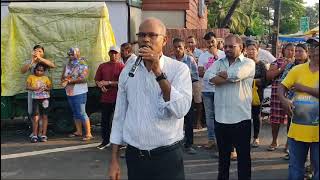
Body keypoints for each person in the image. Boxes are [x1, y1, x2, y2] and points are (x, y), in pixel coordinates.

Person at [108, 17, 192, 180]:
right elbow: (119, 115)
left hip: (167, 157)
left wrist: (158, 71)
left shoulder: (179, 70)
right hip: (136, 157)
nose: (146, 39)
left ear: (164, 40)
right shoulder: (128, 71)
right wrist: (114, 160)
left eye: (152, 35)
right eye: (142, 35)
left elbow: (180, 109)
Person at [204, 34, 255, 180]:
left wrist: (220, 77)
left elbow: (237, 75)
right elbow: (208, 77)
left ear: (241, 47)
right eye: (225, 46)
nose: (227, 49)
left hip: (241, 119)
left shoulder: (249, 63)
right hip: (221, 119)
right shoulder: (219, 62)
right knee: (223, 160)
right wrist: (225, 77)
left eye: (231, 46)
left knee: (244, 159)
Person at [278, 37, 319, 180]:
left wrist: (303, 88)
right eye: (313, 46)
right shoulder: (297, 69)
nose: (315, 49)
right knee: (295, 170)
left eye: (318, 46)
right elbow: (282, 86)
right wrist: (283, 100)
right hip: (298, 131)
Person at [279, 43, 310, 159]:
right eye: (296, 51)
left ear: (307, 53)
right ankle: (291, 151)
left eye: (300, 51)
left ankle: (306, 155)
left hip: (309, 103)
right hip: (292, 101)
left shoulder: (311, 67)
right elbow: (283, 82)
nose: (297, 53)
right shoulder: (290, 66)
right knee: (291, 126)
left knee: (308, 128)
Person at [172, 37, 199, 154]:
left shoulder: (190, 60)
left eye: (180, 47)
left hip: (186, 95)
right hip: (172, 95)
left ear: (184, 48)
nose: (178, 49)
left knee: (188, 120)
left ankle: (189, 145)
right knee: (173, 119)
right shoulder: (170, 61)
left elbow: (195, 77)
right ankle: (173, 144)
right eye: (176, 47)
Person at [198, 32, 225, 150]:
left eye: (212, 41)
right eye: (208, 42)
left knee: (220, 115)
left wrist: (215, 56)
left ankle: (221, 140)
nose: (210, 44)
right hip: (207, 90)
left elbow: (225, 71)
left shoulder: (223, 55)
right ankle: (211, 140)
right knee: (209, 116)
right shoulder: (202, 56)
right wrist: (214, 75)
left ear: (216, 41)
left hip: (220, 89)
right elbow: (200, 72)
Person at [21, 45, 55, 137]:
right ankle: (35, 131)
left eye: (40, 51)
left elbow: (52, 65)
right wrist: (33, 60)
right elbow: (23, 71)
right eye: (36, 51)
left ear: (43, 53)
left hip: (44, 94)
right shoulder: (30, 61)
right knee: (32, 112)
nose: (37, 53)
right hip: (32, 93)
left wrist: (40, 58)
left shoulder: (45, 61)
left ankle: (41, 132)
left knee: (43, 113)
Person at [266, 43, 295, 152]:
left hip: (292, 94)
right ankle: (274, 140)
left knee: (291, 120)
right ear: (284, 50)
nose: (291, 52)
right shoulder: (277, 62)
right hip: (277, 94)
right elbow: (269, 76)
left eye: (293, 50)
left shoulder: (297, 63)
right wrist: (281, 68)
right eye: (289, 49)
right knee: (275, 119)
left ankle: (288, 144)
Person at [95, 46, 125, 149]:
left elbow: (123, 83)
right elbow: (97, 80)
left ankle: (120, 142)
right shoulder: (102, 66)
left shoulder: (122, 66)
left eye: (116, 53)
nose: (114, 55)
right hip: (105, 98)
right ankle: (105, 141)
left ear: (119, 54)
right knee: (105, 120)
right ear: (109, 54)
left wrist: (109, 82)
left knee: (118, 120)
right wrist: (101, 86)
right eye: (112, 53)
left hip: (118, 98)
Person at [61, 47, 93, 141]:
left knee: (82, 112)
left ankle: (88, 133)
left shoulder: (82, 63)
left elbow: (84, 78)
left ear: (78, 54)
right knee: (75, 112)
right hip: (70, 91)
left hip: (80, 91)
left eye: (73, 54)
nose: (71, 56)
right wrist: (65, 79)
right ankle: (78, 131)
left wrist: (69, 80)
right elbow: (63, 76)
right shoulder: (67, 64)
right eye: (69, 54)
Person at [245, 39, 268, 148]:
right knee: (245, 116)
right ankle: (245, 137)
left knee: (256, 115)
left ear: (257, 51)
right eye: (249, 49)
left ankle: (256, 137)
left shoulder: (261, 65)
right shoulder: (243, 63)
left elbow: (265, 81)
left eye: (253, 49)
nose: (251, 52)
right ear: (245, 51)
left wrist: (254, 81)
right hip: (243, 93)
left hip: (257, 94)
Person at [26, 63, 52, 143]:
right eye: (38, 70)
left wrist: (46, 88)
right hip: (36, 99)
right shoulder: (31, 77)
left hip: (45, 99)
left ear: (44, 71)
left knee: (44, 116)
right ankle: (35, 135)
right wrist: (35, 88)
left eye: (41, 71)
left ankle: (43, 135)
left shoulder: (46, 78)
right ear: (35, 69)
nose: (39, 72)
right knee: (36, 117)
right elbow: (27, 87)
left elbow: (50, 87)